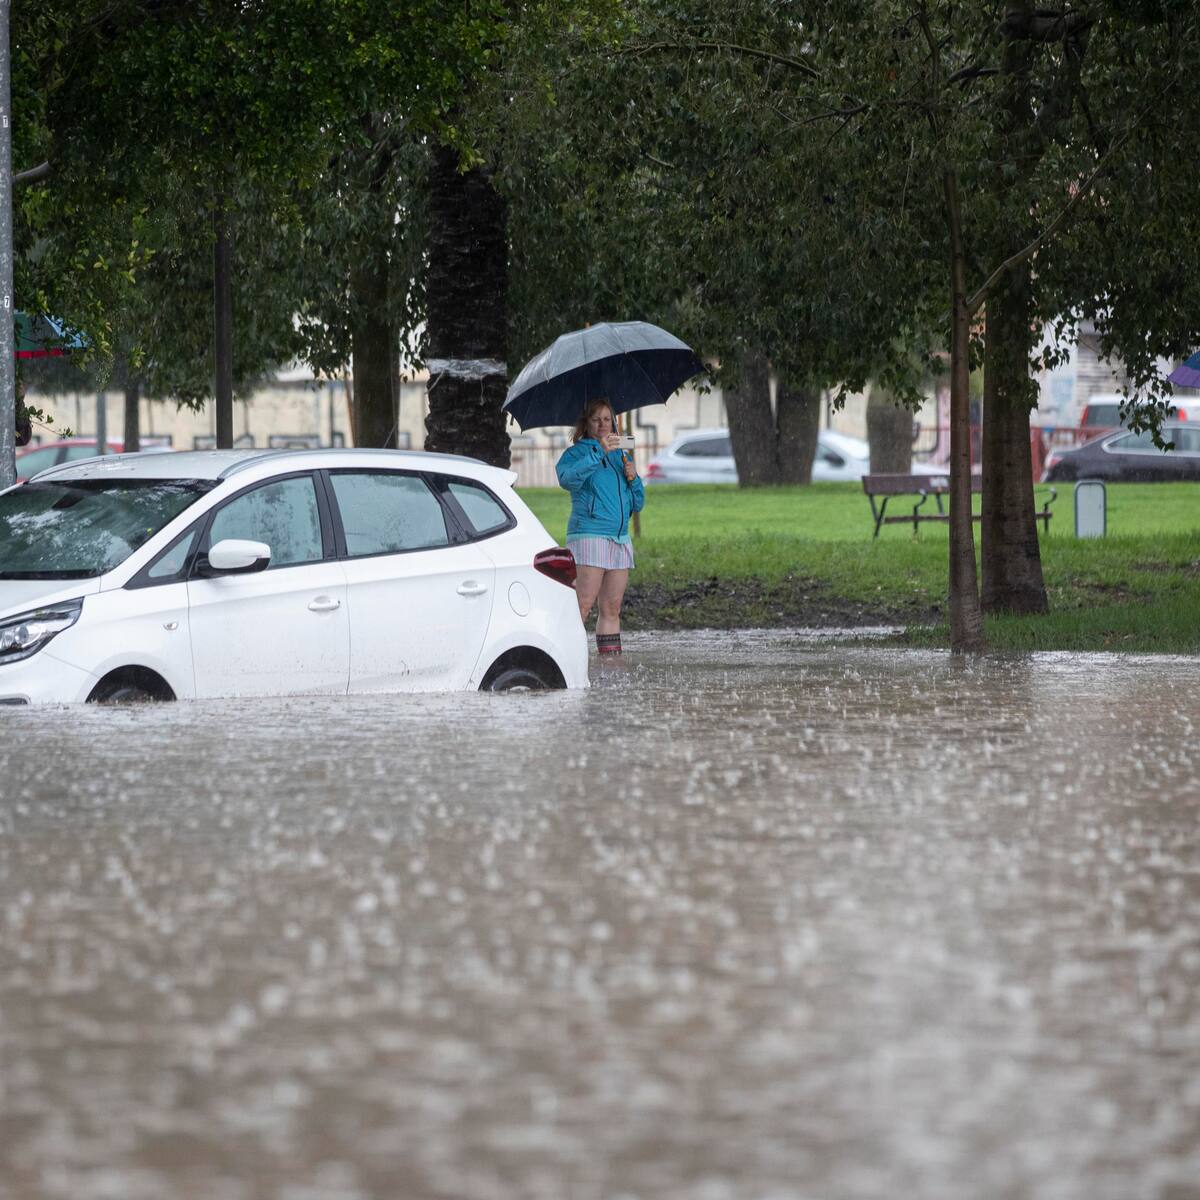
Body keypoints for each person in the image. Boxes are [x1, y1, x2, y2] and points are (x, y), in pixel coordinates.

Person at [555, 397, 644, 657]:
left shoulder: (621, 455)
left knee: (612, 607)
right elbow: (567, 479)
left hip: (620, 538)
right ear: (586, 423)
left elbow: (637, 503)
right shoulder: (577, 453)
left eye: (608, 419)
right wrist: (598, 452)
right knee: (582, 604)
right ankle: (562, 658)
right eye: (597, 419)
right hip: (589, 535)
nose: (603, 424)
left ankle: (610, 667)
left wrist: (634, 477)